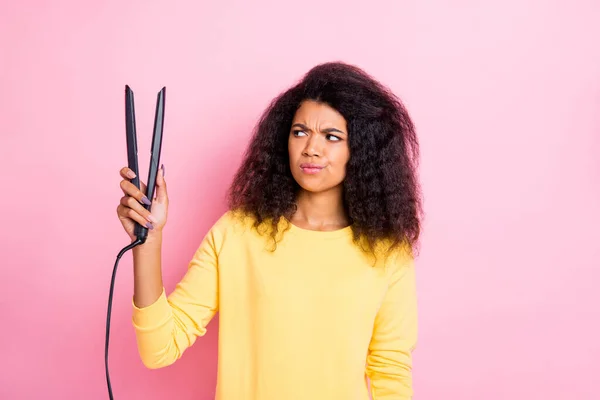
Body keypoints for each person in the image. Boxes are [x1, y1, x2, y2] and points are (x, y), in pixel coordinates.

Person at [116, 61, 422, 400]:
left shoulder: (388, 253)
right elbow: (159, 348)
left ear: (362, 151)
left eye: (332, 137)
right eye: (299, 131)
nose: (311, 148)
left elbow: (390, 371)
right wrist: (149, 240)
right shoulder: (237, 233)